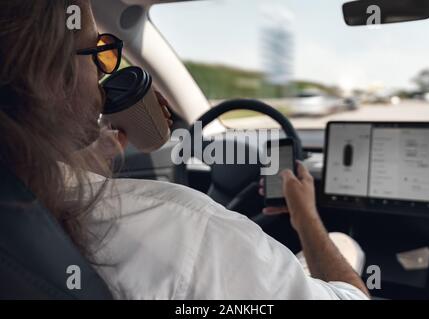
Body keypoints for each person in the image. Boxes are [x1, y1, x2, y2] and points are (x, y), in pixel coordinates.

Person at [0, 1, 369, 299]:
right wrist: (305, 216)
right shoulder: (189, 230)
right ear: (47, 75)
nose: (102, 73)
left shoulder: (27, 199)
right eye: (97, 53)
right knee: (343, 243)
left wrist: (79, 164)